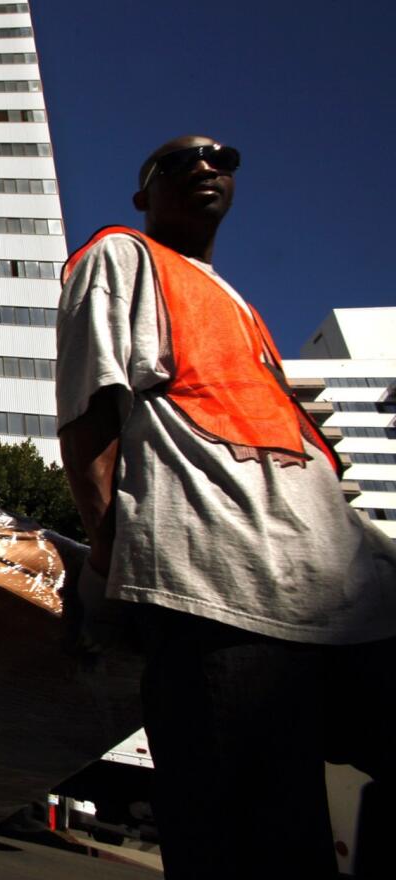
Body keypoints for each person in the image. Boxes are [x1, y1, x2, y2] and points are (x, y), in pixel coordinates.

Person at [56, 135, 396, 878]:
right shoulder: (121, 256)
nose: (206, 168)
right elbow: (89, 411)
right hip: (219, 589)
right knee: (256, 837)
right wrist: (112, 549)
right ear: (143, 195)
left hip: (342, 594)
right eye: (178, 162)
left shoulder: (238, 301)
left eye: (223, 158)